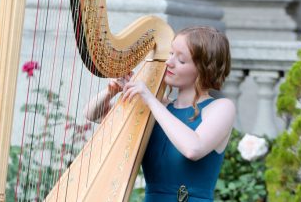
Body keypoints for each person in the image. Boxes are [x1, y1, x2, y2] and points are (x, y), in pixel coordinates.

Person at [85, 26, 235, 202]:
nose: (169, 62)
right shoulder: (160, 107)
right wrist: (111, 91)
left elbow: (193, 149)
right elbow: (91, 114)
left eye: (181, 60)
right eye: (170, 53)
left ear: (204, 69)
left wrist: (150, 99)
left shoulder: (221, 107)